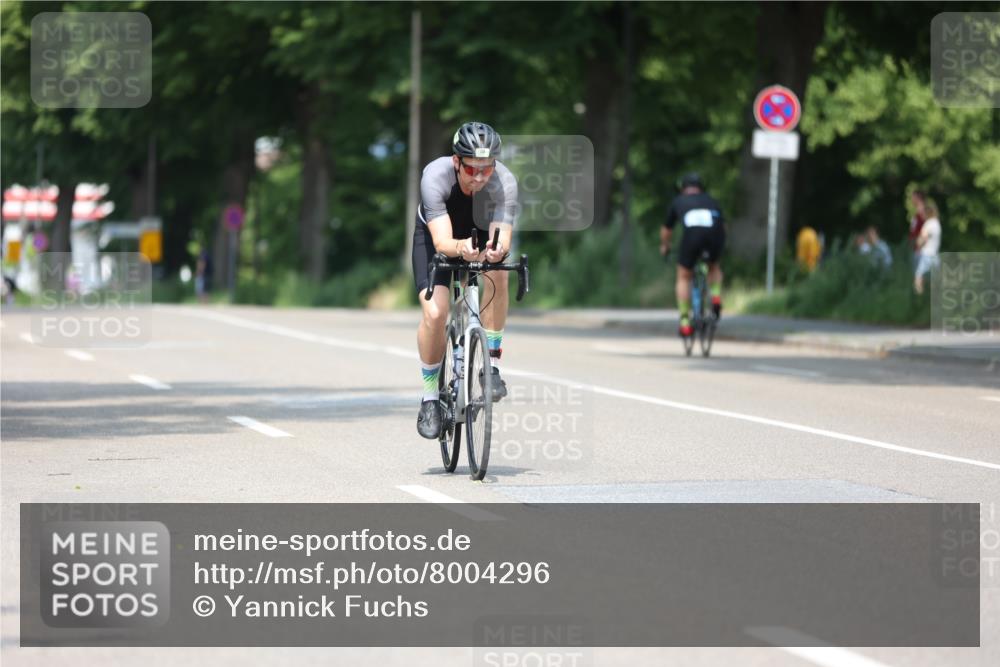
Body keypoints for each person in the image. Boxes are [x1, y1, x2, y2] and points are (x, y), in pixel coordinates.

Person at [411, 121, 517, 439]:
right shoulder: (435, 176)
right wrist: (461, 249)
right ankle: (430, 397)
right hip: (438, 238)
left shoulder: (504, 182)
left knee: (499, 272)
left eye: (488, 169)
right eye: (472, 170)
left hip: (480, 233)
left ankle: (492, 366)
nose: (481, 177)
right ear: (457, 162)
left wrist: (496, 251)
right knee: (435, 313)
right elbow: (443, 242)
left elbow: (502, 237)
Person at [660, 173, 725, 338]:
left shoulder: (678, 201)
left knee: (683, 276)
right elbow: (723, 226)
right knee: (714, 266)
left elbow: (667, 230)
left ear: (683, 188)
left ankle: (684, 322)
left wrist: (666, 246)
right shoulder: (711, 200)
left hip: (692, 237)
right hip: (714, 235)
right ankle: (716, 297)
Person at [914, 202, 941, 294]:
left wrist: (918, 242)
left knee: (918, 276)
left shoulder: (928, 224)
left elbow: (922, 240)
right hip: (935, 255)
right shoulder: (937, 223)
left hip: (926, 254)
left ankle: (919, 298)